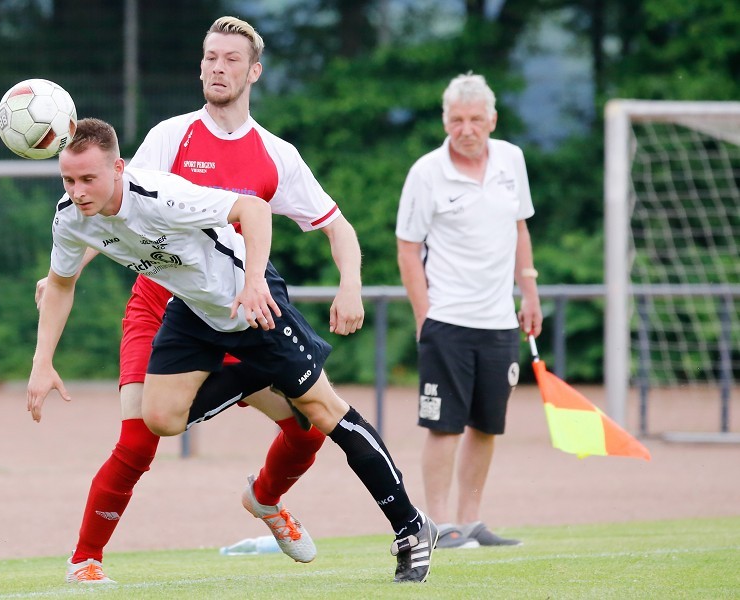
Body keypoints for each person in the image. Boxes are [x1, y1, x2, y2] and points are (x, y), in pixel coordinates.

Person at [28, 117, 440, 583]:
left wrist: (255, 283)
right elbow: (61, 285)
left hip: (250, 303)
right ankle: (259, 376)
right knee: (159, 419)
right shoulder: (69, 216)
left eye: (88, 179)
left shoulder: (161, 196)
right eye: (68, 179)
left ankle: (411, 526)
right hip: (194, 311)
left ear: (118, 168)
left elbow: (254, 210)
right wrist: (43, 363)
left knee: (325, 412)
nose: (78, 191)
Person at [33, 16, 365, 583]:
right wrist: (66, 269)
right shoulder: (171, 135)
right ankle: (85, 560)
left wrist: (350, 283)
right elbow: (121, 206)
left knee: (309, 427)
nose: (217, 66)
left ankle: (265, 499)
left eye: (230, 58)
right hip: (161, 307)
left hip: (236, 306)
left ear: (253, 71)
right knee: (140, 437)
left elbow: (336, 226)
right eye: (210, 56)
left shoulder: (275, 154)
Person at [395, 73, 543, 549]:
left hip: (499, 323)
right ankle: (439, 526)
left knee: (486, 425)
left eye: (476, 119)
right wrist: (425, 317)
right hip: (448, 321)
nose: (466, 128)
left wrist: (530, 292)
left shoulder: (511, 161)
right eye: (457, 119)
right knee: (443, 427)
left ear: (492, 120)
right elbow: (407, 248)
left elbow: (520, 228)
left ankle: (471, 523)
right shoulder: (425, 172)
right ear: (445, 121)